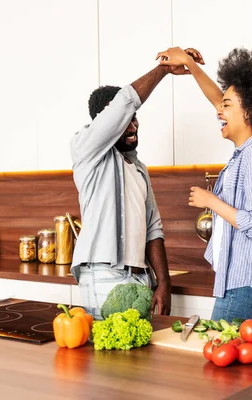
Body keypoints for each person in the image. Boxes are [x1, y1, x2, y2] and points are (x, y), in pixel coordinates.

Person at [156, 47, 252, 322]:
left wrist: (211, 202)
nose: (219, 111)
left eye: (227, 106)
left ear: (249, 112)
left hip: (242, 285)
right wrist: (192, 66)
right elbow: (221, 102)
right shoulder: (249, 150)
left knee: (219, 358)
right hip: (239, 282)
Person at [69, 62, 199, 319]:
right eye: (124, 121)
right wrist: (164, 69)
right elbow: (125, 103)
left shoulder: (138, 169)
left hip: (141, 277)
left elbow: (154, 228)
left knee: (139, 356)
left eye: (134, 120)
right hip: (103, 273)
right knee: (111, 357)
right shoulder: (86, 150)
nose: (132, 126)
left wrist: (164, 282)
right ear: (108, 123)